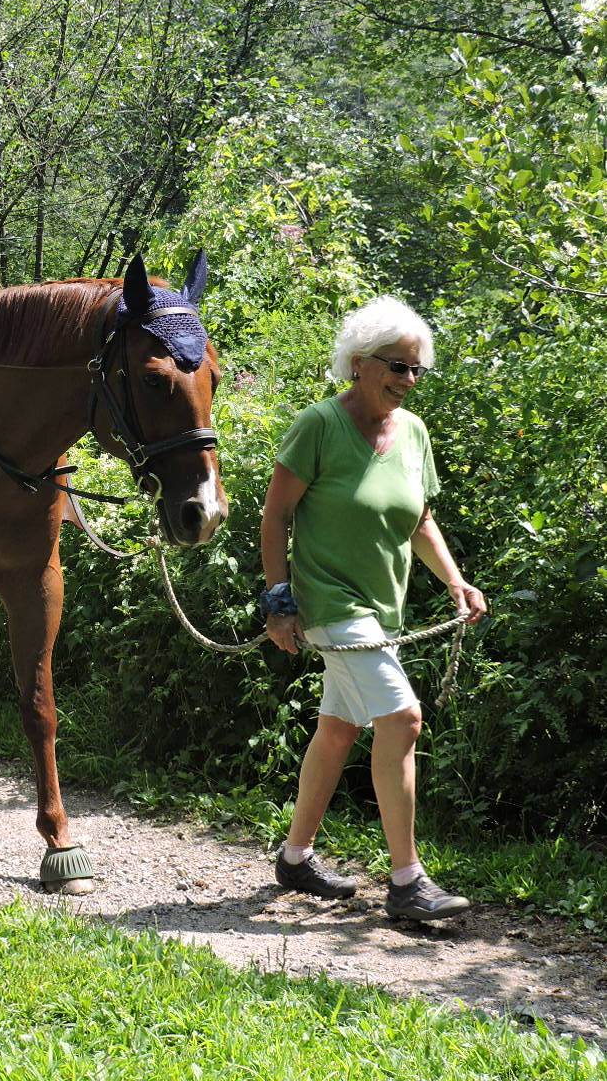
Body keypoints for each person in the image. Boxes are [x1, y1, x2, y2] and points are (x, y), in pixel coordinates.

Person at [259, 295, 487, 921]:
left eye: (416, 369)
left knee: (338, 729)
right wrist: (279, 604)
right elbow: (275, 516)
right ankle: (407, 882)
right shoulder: (319, 426)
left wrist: (456, 584)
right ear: (358, 363)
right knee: (403, 720)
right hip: (331, 603)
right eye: (396, 365)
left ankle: (296, 857)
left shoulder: (412, 433)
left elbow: (421, 520)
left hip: (384, 608)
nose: (407, 380)